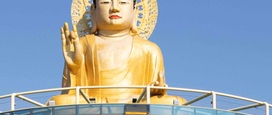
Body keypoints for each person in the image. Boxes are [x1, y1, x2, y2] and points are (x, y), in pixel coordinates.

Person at [50, 0, 181, 106]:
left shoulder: (149, 49)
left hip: (135, 104)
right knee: (58, 102)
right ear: (93, 11)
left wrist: (156, 91)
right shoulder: (82, 45)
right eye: (106, 2)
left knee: (175, 103)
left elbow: (156, 89)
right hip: (93, 104)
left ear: (135, 12)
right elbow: (69, 93)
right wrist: (74, 68)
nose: (114, 8)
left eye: (123, 2)